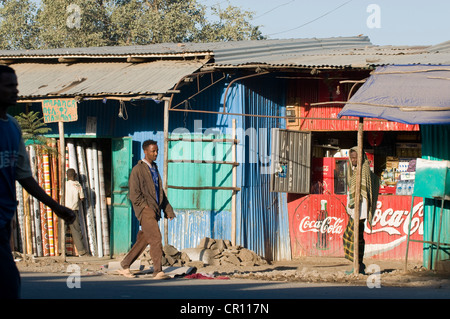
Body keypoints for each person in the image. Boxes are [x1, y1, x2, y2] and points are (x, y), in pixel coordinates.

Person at [0, 65, 76, 299]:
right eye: (9, 85)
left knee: (10, 284)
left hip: (4, 222)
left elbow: (24, 177)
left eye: (16, 85)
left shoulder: (12, 127)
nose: (16, 90)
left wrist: (56, 207)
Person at [117, 140, 175, 279]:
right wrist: (144, 207)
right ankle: (157, 271)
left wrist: (168, 209)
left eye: (157, 151)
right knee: (155, 238)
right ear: (145, 151)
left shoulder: (154, 168)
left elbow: (159, 192)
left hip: (154, 210)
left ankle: (125, 265)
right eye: (153, 151)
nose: (156, 154)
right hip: (146, 210)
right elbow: (134, 193)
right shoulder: (138, 169)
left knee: (144, 239)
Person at [343, 146, 379, 274]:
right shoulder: (354, 170)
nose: (353, 160)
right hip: (356, 212)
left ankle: (357, 265)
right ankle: (359, 265)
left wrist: (357, 212)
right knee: (355, 238)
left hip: (360, 211)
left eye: (355, 157)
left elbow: (364, 193)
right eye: (351, 157)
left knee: (351, 238)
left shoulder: (363, 171)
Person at [65, 168, 88, 256]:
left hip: (63, 210)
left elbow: (61, 196)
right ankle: (81, 251)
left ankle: (61, 251)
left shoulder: (64, 185)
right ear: (75, 176)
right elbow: (82, 198)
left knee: (62, 230)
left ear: (67, 176)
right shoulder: (78, 185)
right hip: (73, 210)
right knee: (76, 231)